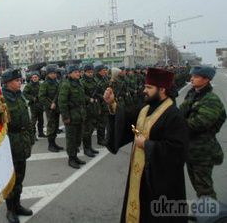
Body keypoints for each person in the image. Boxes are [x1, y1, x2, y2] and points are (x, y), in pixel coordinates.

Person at [104, 68, 188, 222]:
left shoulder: (174, 115)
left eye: (149, 88)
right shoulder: (145, 109)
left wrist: (147, 145)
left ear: (162, 89)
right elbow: (129, 123)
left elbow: (177, 152)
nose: (144, 91)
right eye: (145, 86)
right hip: (140, 177)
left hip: (160, 183)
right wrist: (112, 104)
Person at [179, 66, 226, 200]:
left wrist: (176, 126)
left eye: (196, 76)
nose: (191, 79)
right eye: (192, 76)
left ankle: (211, 217)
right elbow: (180, 112)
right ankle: (204, 211)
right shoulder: (192, 93)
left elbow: (198, 124)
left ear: (206, 79)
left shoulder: (211, 99)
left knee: (204, 188)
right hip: (191, 149)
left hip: (203, 152)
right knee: (196, 184)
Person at [2, 69, 34, 223]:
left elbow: (26, 119)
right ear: (8, 83)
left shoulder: (19, 96)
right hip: (9, 142)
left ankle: (18, 205)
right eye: (16, 80)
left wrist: (31, 137)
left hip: (22, 141)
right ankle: (10, 210)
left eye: (20, 80)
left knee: (20, 178)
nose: (20, 82)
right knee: (10, 180)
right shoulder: (1, 100)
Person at [58, 64, 86, 169]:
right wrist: (66, 117)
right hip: (71, 116)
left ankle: (75, 156)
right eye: (75, 72)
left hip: (80, 115)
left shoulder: (79, 83)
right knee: (71, 139)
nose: (78, 73)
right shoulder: (66, 85)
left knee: (78, 138)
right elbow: (62, 102)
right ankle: (71, 159)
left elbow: (82, 101)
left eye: (78, 71)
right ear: (69, 74)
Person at [39, 65, 63, 152]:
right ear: (48, 74)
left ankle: (54, 143)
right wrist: (50, 105)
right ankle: (50, 145)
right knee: (51, 126)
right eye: (52, 73)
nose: (54, 75)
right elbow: (41, 97)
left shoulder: (56, 82)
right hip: (50, 109)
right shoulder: (45, 84)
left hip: (57, 108)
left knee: (56, 126)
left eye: (55, 73)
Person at [80, 64, 100, 157]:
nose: (91, 74)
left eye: (92, 72)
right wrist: (89, 99)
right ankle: (86, 149)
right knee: (86, 130)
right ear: (84, 72)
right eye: (89, 72)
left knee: (91, 128)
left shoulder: (94, 81)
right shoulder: (82, 82)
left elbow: (97, 92)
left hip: (93, 107)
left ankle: (90, 147)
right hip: (86, 108)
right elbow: (80, 95)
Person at [23, 71, 46, 139]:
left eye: (36, 77)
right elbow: (25, 93)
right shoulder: (29, 86)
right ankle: (33, 135)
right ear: (31, 78)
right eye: (33, 77)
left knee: (41, 120)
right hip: (34, 105)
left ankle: (41, 133)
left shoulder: (40, 85)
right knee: (33, 121)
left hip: (40, 105)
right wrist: (32, 98)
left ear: (38, 78)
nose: (34, 78)